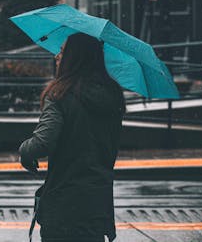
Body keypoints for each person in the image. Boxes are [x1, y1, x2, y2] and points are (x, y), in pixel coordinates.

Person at [19, 32, 126, 242]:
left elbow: (42, 143)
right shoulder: (112, 94)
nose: (56, 57)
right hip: (96, 203)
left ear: (73, 58)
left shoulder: (60, 94)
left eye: (61, 52)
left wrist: (24, 150)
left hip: (64, 204)